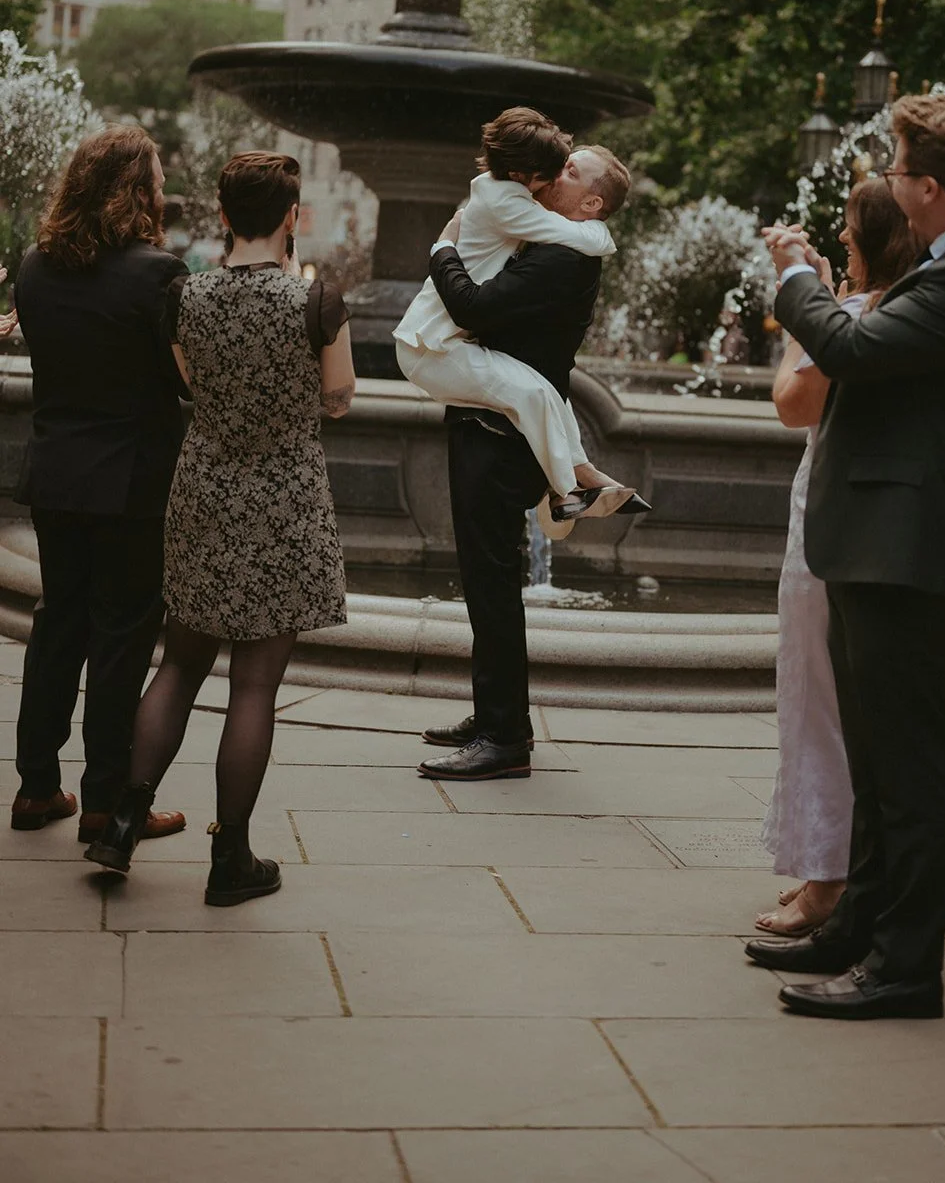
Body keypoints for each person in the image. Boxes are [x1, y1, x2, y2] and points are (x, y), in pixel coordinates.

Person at [747, 93, 945, 1021]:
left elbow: (850, 348)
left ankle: (906, 969)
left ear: (927, 187)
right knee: (876, 755)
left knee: (912, 767)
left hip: (907, 545)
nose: (888, 179)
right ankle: (860, 925)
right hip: (880, 541)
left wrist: (798, 276)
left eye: (899, 166)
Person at [85, 152, 355, 905]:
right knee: (255, 686)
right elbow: (339, 397)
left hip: (203, 488)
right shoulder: (316, 302)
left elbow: (189, 383)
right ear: (292, 217)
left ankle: (121, 823)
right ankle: (229, 858)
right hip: (284, 496)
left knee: (177, 662)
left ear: (225, 215)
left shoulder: (183, 296)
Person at [416, 145, 637, 781]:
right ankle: (493, 715)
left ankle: (505, 738)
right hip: (497, 424)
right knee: (490, 579)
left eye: (570, 170)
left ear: (592, 200)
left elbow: (476, 309)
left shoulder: (567, 254)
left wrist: (443, 250)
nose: (555, 171)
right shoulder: (555, 237)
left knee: (490, 581)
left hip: (501, 435)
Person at [10, 126, 187, 844]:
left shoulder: (33, 265)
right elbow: (178, 378)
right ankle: (109, 803)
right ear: (139, 190)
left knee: (58, 625)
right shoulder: (157, 273)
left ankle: (35, 787)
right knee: (121, 635)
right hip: (133, 481)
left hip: (56, 474)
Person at [757, 179, 915, 936]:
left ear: (875, 239)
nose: (841, 239)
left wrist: (804, 306)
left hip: (828, 524)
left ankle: (829, 878)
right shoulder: (901, 308)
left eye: (851, 231)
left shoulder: (859, 316)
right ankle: (832, 866)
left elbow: (794, 404)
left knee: (817, 698)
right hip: (854, 521)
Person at [395, 107, 633, 522]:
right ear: (527, 174)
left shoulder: (509, 194)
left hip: (446, 343)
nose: (559, 177)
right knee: (534, 393)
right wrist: (442, 250)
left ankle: (579, 476)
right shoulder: (508, 203)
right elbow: (578, 236)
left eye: (571, 172)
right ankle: (569, 488)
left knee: (542, 392)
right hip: (431, 346)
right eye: (558, 170)